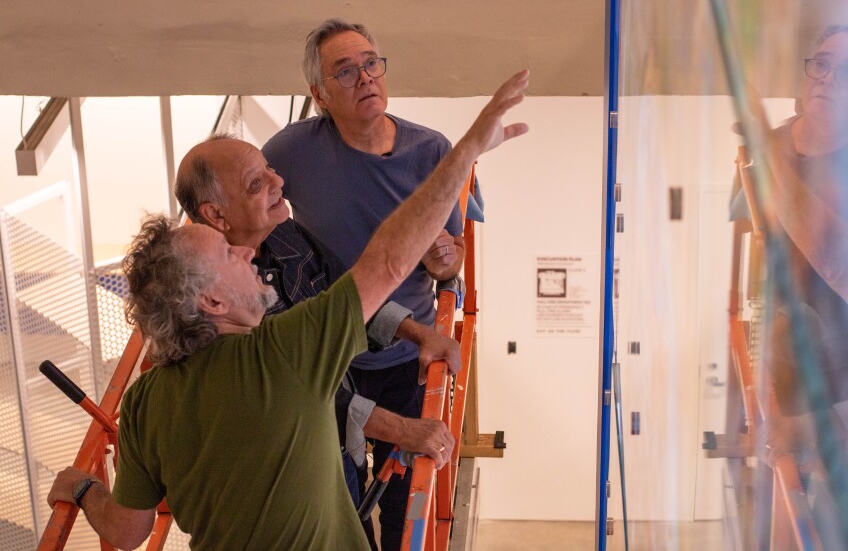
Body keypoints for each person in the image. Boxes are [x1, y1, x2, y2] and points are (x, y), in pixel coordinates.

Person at [46, 69, 530, 550]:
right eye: (227, 254)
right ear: (212, 300)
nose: (243, 254)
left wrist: (86, 488)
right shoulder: (282, 351)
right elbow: (386, 260)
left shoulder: (143, 402)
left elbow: (128, 533)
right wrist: (465, 151)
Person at [172, 134, 459, 544]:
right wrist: (402, 429)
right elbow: (300, 396)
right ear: (216, 215)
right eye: (257, 183)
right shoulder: (218, 303)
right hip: (295, 477)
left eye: (270, 170)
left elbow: (346, 298)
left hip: (340, 447)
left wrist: (418, 335)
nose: (278, 182)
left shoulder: (283, 232)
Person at [262, 18, 465, 549]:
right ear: (319, 94)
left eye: (371, 63)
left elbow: (452, 261)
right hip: (331, 355)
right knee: (341, 500)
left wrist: (445, 260)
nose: (365, 78)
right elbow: (249, 211)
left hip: (408, 353)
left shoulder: (430, 150)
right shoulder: (288, 153)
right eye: (345, 71)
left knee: (405, 505)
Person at [730, 25, 848, 549]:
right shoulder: (762, 153)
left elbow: (835, 258)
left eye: (845, 71)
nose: (827, 79)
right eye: (821, 63)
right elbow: (747, 251)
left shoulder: (766, 152)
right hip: (789, 376)